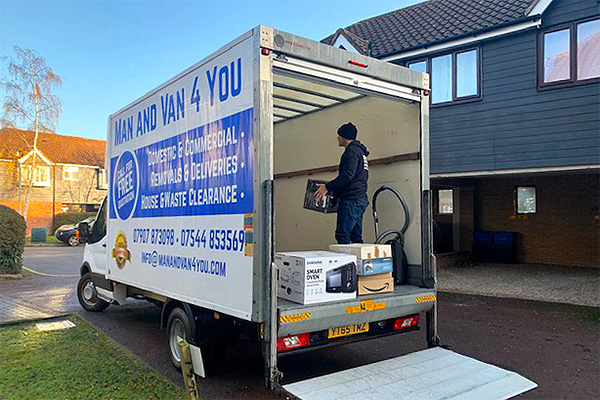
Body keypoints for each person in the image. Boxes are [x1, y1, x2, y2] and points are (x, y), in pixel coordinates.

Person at [315, 122, 369, 244]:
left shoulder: (351, 152)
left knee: (342, 235)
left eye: (339, 135)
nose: (337, 138)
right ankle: (359, 262)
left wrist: (327, 187)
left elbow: (347, 175)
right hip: (359, 199)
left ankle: (346, 263)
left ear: (344, 137)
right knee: (355, 236)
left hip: (351, 200)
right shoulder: (359, 152)